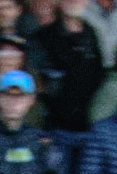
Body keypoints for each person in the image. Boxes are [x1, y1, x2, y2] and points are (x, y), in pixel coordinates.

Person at [30, 0, 104, 133]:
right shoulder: (42, 37)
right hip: (54, 127)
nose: (74, 1)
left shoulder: (92, 34)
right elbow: (35, 82)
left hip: (88, 125)